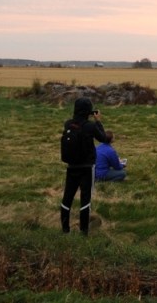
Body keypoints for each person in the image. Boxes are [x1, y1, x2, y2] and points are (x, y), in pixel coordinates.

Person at [60, 97, 109, 235]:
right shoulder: (90, 126)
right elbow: (104, 138)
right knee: (85, 200)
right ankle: (83, 232)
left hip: (71, 166)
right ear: (88, 111)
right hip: (87, 167)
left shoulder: (68, 124)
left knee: (67, 198)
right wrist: (98, 121)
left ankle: (65, 229)